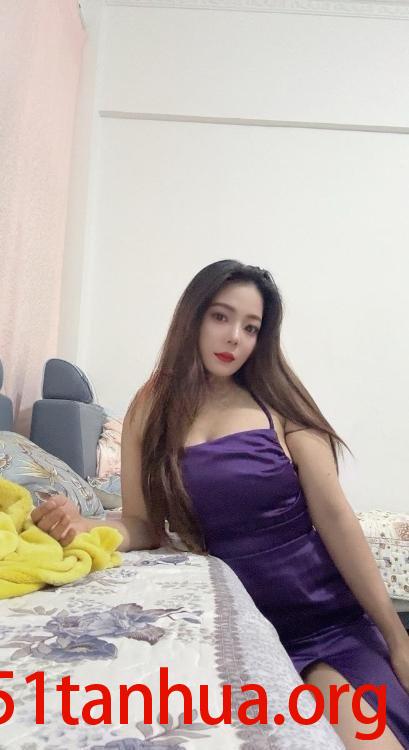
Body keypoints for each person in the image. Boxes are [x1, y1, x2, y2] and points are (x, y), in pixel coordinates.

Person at [32, 260, 409, 748]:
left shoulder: (277, 402)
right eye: (220, 316)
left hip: (323, 622)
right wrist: (89, 527)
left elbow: (337, 520)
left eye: (251, 327)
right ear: (193, 316)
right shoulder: (151, 405)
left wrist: (397, 638)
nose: (234, 337)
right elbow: (144, 523)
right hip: (237, 627)